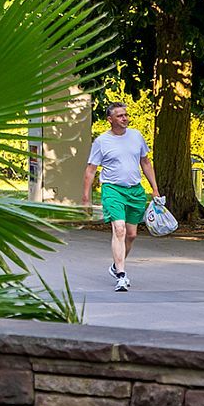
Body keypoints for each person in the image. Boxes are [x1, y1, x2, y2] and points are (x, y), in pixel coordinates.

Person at [83, 101, 157, 292]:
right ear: (110, 119)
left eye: (125, 115)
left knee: (131, 235)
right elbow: (91, 170)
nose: (125, 118)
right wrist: (86, 198)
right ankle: (122, 275)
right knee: (119, 229)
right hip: (113, 189)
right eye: (120, 115)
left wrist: (155, 189)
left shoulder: (136, 136)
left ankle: (116, 265)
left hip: (135, 190)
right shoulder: (101, 141)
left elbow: (146, 162)